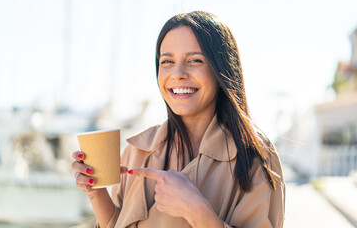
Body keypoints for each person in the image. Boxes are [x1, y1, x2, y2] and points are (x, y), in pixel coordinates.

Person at [72, 11, 285, 228]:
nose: (178, 73)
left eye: (195, 60)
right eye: (167, 61)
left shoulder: (253, 157)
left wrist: (197, 211)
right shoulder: (138, 150)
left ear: (220, 69)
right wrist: (96, 193)